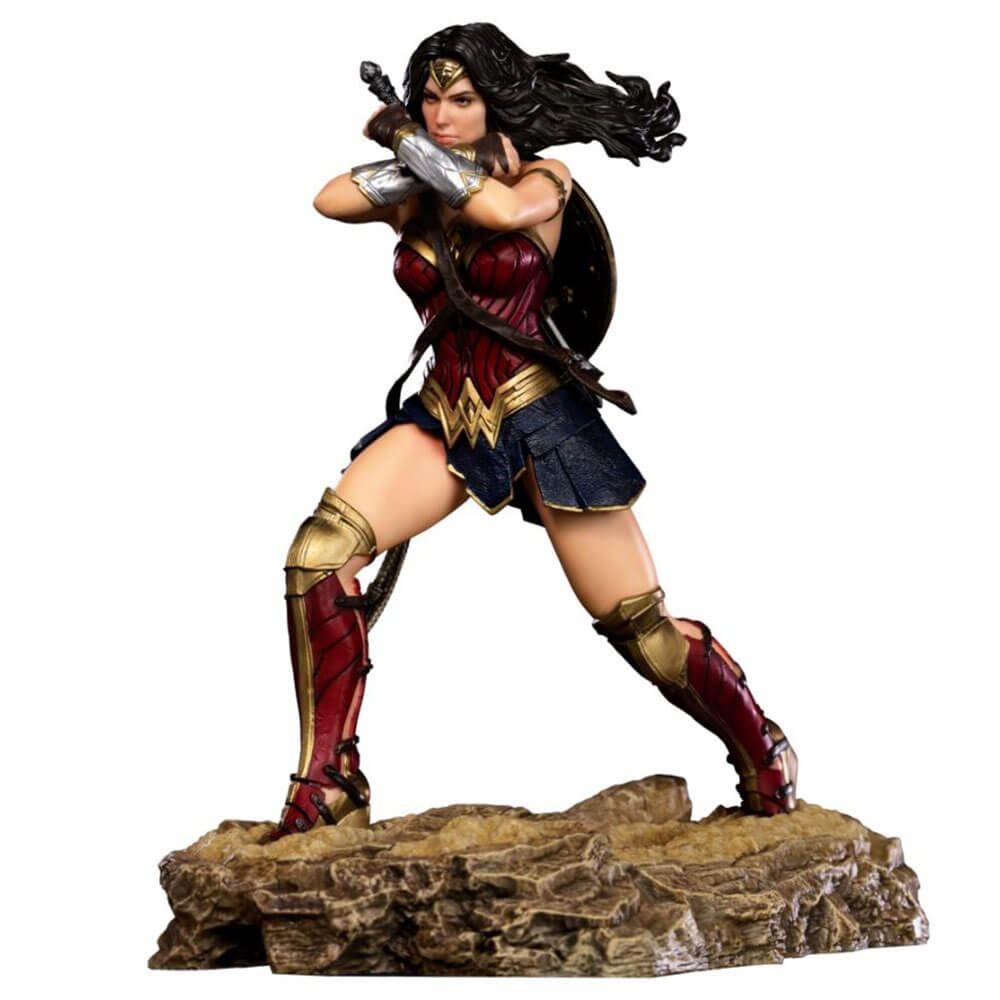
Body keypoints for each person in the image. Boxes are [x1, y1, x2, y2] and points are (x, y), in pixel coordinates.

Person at [272, 23, 797, 838]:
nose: (441, 114)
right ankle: (328, 782)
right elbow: (331, 198)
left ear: (496, 103)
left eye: (461, 99)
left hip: (542, 417)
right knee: (318, 557)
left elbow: (501, 209)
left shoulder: (544, 177)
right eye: (429, 100)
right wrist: (414, 157)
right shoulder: (416, 186)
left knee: (646, 633)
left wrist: (408, 140)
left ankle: (764, 757)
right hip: (448, 415)